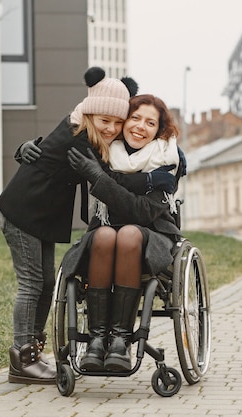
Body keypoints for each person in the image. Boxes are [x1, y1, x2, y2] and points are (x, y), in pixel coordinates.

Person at [0, 67, 174, 385]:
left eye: (118, 123)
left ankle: (33, 352)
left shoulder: (89, 132)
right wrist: (152, 179)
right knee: (32, 284)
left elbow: (108, 161)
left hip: (40, 215)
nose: (112, 129)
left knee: (46, 284)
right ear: (91, 114)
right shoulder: (80, 136)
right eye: (105, 121)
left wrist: (166, 170)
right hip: (22, 212)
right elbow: (107, 176)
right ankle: (22, 357)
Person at [63, 94, 184, 372]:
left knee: (129, 233)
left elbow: (141, 212)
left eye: (150, 123)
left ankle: (119, 341)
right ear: (123, 122)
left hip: (151, 237)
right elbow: (67, 136)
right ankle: (96, 340)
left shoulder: (167, 160)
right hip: (104, 238)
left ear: (159, 130)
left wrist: (100, 179)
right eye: (135, 118)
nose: (141, 126)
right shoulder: (103, 151)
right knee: (106, 235)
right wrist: (30, 149)